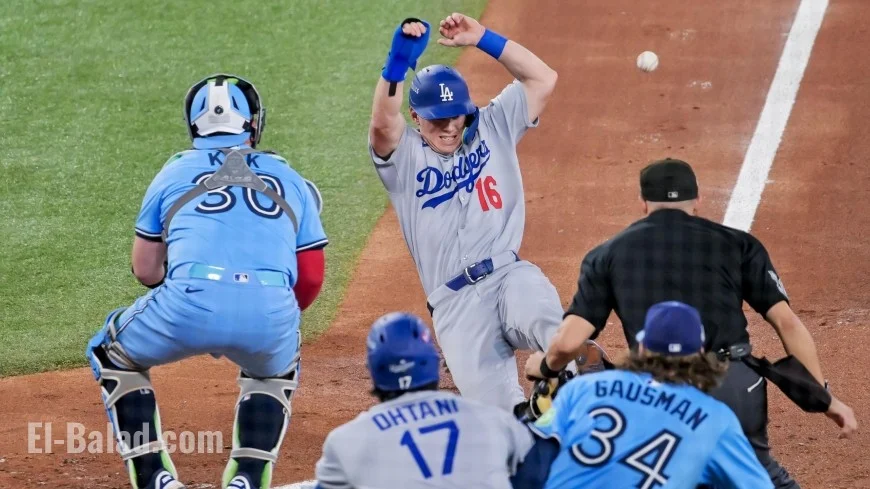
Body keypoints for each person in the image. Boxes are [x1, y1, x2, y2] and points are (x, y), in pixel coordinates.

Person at [525, 158, 858, 488]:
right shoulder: (739, 244)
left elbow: (569, 343)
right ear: (697, 199)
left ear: (643, 202)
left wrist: (546, 366)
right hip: (733, 384)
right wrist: (822, 395)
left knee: (652, 472)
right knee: (759, 472)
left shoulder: (607, 254)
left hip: (652, 388)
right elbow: (787, 324)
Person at [85, 74, 328, 489]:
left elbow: (145, 270)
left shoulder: (173, 171)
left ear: (194, 125)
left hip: (188, 303)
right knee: (273, 371)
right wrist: (268, 310)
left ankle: (154, 476)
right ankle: (247, 478)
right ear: (253, 124)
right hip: (270, 310)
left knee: (111, 353)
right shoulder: (290, 177)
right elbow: (311, 277)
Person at [368, 12, 599, 417]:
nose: (449, 127)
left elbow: (543, 79)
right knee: (500, 421)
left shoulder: (494, 125)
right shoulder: (404, 158)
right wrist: (398, 61)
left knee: (554, 334)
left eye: (456, 115)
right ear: (416, 117)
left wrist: (483, 38)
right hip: (455, 307)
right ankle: (539, 419)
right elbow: (383, 124)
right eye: (437, 119)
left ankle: (580, 384)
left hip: (509, 276)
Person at [528, 301, 775, 489]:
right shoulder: (715, 419)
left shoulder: (584, 388)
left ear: (643, 347)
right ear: (700, 351)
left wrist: (548, 412)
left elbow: (527, 456)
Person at [312, 312, 557, 489]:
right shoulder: (493, 420)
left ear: (375, 370)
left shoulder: (345, 442)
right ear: (433, 362)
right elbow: (540, 471)